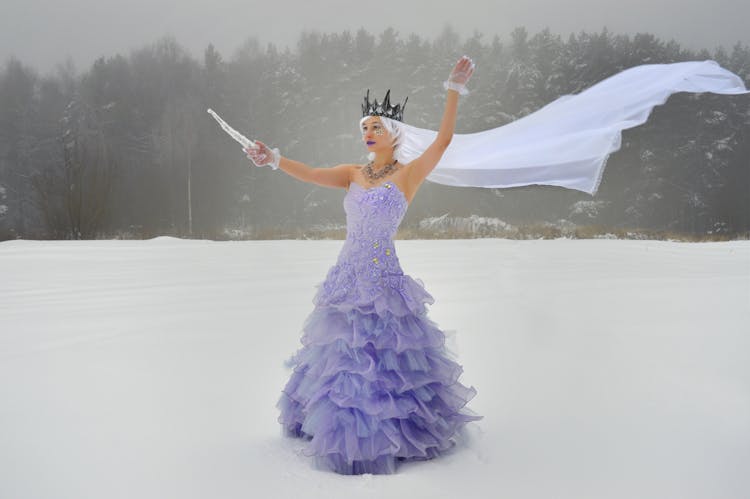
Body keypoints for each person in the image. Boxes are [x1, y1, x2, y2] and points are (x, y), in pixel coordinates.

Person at [244, 55, 482, 475]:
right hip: (346, 276)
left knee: (387, 358)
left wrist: (453, 90)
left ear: (393, 133)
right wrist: (274, 160)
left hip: (383, 278)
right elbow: (313, 173)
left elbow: (443, 141)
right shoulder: (352, 173)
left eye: (376, 127)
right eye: (365, 128)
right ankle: (337, 427)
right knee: (343, 358)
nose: (369, 134)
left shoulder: (407, 175)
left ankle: (390, 431)